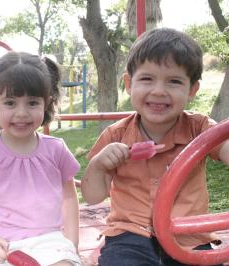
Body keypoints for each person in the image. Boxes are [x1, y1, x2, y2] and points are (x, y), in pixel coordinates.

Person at [81, 27, 229, 266]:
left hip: (188, 236)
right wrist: (99, 165)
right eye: (147, 79)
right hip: (130, 236)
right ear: (129, 83)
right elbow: (93, 196)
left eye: (173, 81)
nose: (159, 91)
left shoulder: (199, 128)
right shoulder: (116, 135)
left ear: (191, 90)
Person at [0, 51, 82, 265]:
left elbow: (69, 199)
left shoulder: (56, 149)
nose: (22, 113)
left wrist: (71, 246)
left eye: (32, 103)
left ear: (47, 102)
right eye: (10, 103)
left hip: (48, 241)